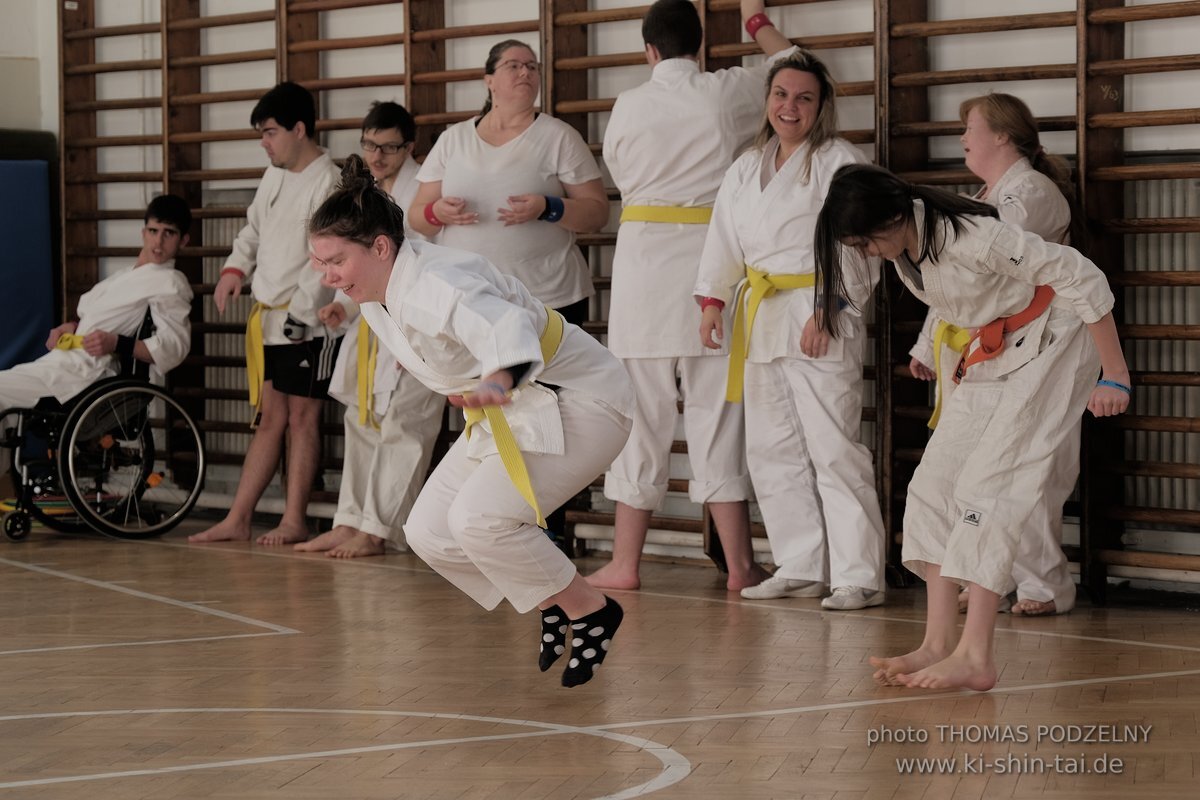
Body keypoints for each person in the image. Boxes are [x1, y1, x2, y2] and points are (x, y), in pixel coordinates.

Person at [309, 155, 637, 687]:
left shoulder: (439, 283)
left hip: (581, 398)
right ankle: (550, 599)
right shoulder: (379, 293)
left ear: (380, 247)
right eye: (319, 262)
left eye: (334, 262)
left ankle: (592, 610)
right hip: (511, 407)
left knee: (478, 520)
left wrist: (498, 380)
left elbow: (507, 326)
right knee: (430, 531)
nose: (327, 276)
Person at [813, 163, 1130, 690]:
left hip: (1056, 342)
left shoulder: (972, 237)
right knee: (933, 488)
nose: (865, 252)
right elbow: (958, 305)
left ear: (892, 219)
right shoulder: (908, 240)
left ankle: (976, 655)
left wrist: (1114, 375)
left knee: (990, 490)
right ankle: (937, 644)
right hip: (998, 349)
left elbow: (1079, 274)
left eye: (866, 242)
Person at [586, 0, 799, 593]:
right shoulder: (727, 91)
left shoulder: (628, 104)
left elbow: (619, 172)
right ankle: (740, 566)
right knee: (718, 420)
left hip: (642, 273)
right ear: (699, 47)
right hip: (712, 269)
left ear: (648, 50)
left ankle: (625, 564)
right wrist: (756, 20)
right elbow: (793, 63)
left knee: (642, 420)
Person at [694, 51, 886, 610]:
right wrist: (713, 301)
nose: (790, 106)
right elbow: (723, 241)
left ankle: (858, 573)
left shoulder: (839, 161)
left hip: (816, 311)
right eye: (781, 94)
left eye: (803, 97)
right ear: (767, 100)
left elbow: (864, 238)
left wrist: (831, 305)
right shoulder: (746, 165)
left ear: (821, 105)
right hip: (760, 314)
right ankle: (801, 562)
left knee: (834, 446)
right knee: (771, 447)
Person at [409, 38, 608, 543]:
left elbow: (598, 210)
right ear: (489, 80)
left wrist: (551, 207)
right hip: (476, 310)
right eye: (513, 66)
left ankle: (546, 531)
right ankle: (478, 527)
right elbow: (417, 216)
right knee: (483, 417)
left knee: (551, 422)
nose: (525, 74)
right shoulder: (453, 140)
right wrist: (439, 213)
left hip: (550, 303)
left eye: (532, 66)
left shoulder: (557, 136)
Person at [909, 93, 1082, 616]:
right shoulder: (990, 193)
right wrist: (926, 343)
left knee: (1028, 470)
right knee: (975, 474)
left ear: (1002, 136)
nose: (962, 135)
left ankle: (1044, 584)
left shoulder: (1032, 192)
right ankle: (993, 576)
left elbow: (988, 264)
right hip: (988, 348)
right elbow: (956, 282)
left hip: (1037, 346)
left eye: (971, 126)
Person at [190, 81, 341, 546]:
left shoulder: (328, 180)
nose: (264, 141)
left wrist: (302, 314)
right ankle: (238, 516)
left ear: (299, 129)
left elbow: (328, 254)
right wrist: (237, 267)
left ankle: (294, 518)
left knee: (302, 418)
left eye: (270, 132)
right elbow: (254, 228)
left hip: (308, 322)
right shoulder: (275, 173)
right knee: (270, 416)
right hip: (270, 318)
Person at [296, 102, 445, 559]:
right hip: (373, 323)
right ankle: (349, 521)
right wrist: (342, 307)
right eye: (369, 145)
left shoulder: (424, 189)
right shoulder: (360, 195)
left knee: (404, 425)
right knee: (359, 419)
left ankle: (378, 529)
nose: (377, 156)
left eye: (388, 147)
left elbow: (413, 264)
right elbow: (352, 260)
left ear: (409, 147)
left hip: (417, 323)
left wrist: (411, 335)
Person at [0, 194, 193, 414]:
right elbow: (96, 316)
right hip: (63, 359)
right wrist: (72, 327)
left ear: (183, 240)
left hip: (86, 373)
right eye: (153, 231)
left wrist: (117, 343)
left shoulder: (170, 282)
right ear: (143, 233)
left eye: (169, 233)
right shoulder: (127, 275)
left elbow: (173, 346)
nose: (158, 242)